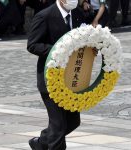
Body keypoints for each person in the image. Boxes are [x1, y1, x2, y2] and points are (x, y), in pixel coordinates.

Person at [27, 0, 86, 149]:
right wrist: (59, 50)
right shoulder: (45, 15)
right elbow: (33, 44)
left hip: (71, 77)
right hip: (50, 79)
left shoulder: (77, 13)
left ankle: (40, 143)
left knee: (73, 121)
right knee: (58, 125)